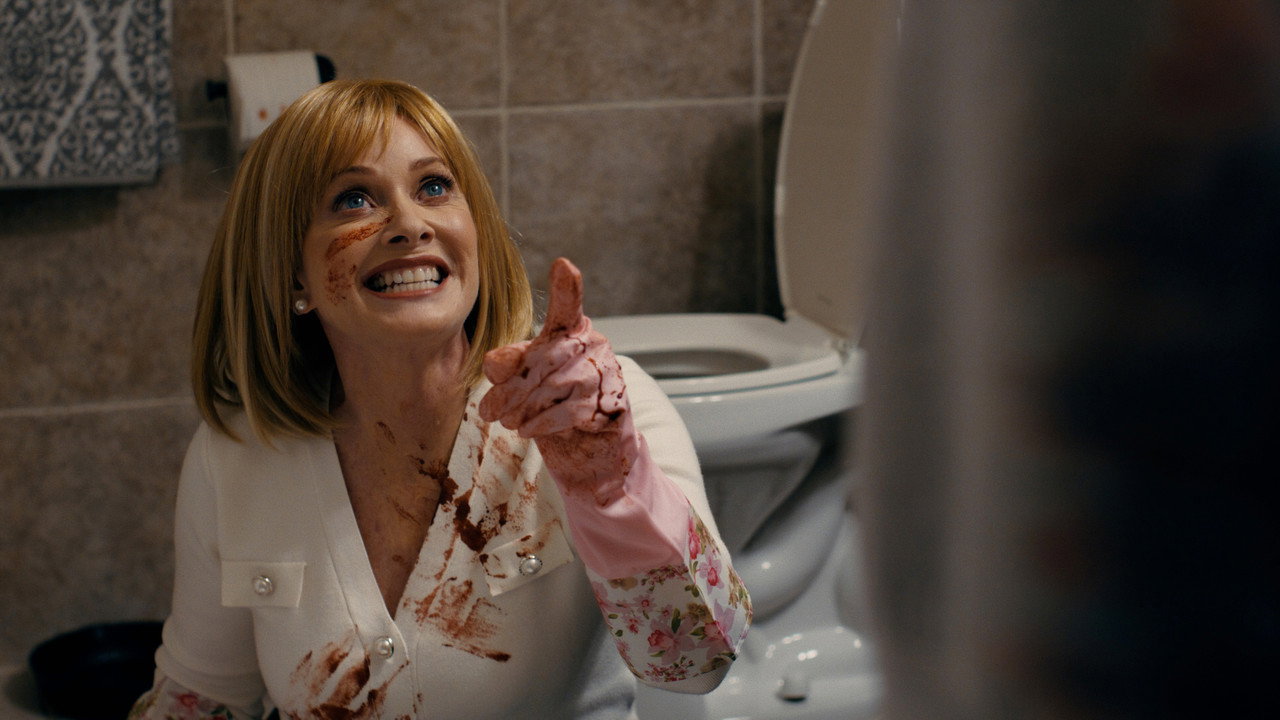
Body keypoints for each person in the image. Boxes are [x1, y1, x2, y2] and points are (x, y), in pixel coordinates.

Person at [128, 78, 751, 719]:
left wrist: (610, 486)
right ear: (291, 273)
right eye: (353, 199)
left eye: (433, 187)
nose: (409, 224)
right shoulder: (238, 454)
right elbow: (204, 696)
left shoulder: (595, 409)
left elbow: (698, 662)